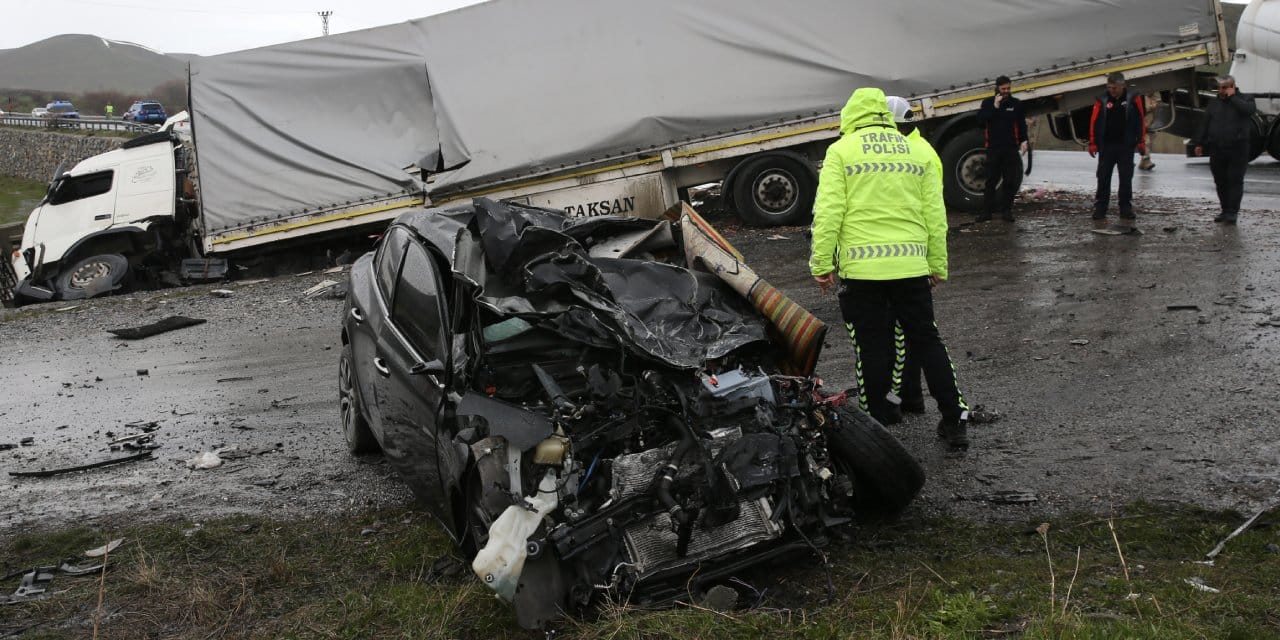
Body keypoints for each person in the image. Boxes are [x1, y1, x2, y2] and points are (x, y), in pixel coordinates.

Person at [810, 87, 971, 450]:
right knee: (927, 340)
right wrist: (937, 264)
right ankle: (954, 418)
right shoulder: (916, 150)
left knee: (871, 348)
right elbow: (935, 215)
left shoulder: (841, 151)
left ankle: (876, 430)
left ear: (851, 114)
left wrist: (822, 264)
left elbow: (829, 213)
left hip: (862, 272)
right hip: (911, 266)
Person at [1193, 75, 1257, 225]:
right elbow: (1205, 123)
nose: (1221, 91)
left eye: (1224, 88)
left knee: (1235, 179)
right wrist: (1199, 143)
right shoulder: (1214, 103)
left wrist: (1233, 98)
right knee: (1220, 180)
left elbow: (1249, 111)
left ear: (1232, 86)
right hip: (1217, 147)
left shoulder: (1246, 99)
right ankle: (1225, 210)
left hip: (1238, 148)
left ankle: (1232, 212)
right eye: (1219, 88)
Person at [1088, 72, 1147, 222]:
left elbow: (1140, 120)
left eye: (1114, 88)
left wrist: (1141, 141)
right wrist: (1093, 143)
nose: (1111, 91)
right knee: (1103, 177)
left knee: (1126, 178)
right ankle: (1100, 208)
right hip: (1106, 146)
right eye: (1109, 87)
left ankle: (1125, 208)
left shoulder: (1133, 98)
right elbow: (1094, 121)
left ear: (1122, 86)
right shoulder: (1102, 99)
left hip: (1126, 146)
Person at [976, 76, 1027, 221]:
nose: (1006, 91)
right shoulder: (988, 103)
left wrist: (1024, 141)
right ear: (997, 88)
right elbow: (980, 121)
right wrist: (995, 106)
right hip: (993, 148)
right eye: (1003, 88)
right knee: (991, 181)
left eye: (1008, 88)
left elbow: (1021, 124)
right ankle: (987, 212)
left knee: (1009, 181)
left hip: (1010, 148)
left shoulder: (1015, 104)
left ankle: (1007, 211)